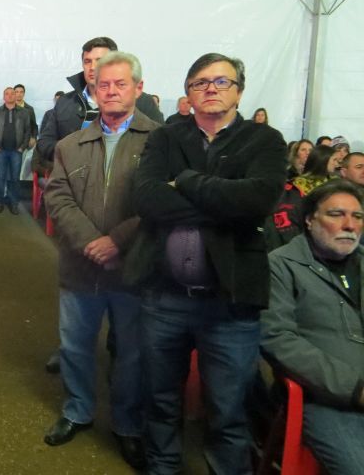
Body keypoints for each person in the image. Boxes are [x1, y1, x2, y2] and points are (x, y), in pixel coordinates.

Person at [128, 52, 286, 473]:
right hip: (165, 297)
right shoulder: (166, 137)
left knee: (229, 409)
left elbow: (256, 202)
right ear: (189, 93)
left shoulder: (264, 140)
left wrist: (185, 181)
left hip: (230, 303)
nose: (211, 89)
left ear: (239, 91)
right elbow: (146, 199)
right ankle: (162, 465)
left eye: (221, 81)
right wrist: (224, 204)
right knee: (160, 398)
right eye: (200, 83)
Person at [43, 51, 157, 470]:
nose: (110, 91)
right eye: (102, 85)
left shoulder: (160, 141)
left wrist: (117, 241)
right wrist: (92, 242)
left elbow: (160, 200)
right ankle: (78, 410)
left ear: (138, 88)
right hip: (80, 266)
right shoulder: (70, 145)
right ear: (93, 90)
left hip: (134, 268)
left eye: (120, 84)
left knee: (131, 352)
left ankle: (127, 423)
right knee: (75, 346)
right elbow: (58, 198)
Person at [261, 180, 364, 475]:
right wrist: (356, 388)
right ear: (309, 220)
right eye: (336, 214)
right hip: (326, 397)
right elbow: (277, 339)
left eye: (357, 216)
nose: (350, 225)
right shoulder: (281, 265)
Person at [37, 37, 163, 163]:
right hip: (71, 171)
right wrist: (73, 154)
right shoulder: (65, 102)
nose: (92, 67)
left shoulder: (143, 101)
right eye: (87, 61)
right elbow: (44, 143)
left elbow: (161, 144)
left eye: (100, 60)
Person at [0, 87, 31, 214]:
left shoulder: (24, 112)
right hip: (0, 151)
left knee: (15, 179)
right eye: (7, 94)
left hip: (16, 151)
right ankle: (0, 202)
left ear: (16, 96)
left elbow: (27, 131)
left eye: (12, 93)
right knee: (0, 178)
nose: (10, 95)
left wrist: (22, 148)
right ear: (4, 97)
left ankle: (14, 203)